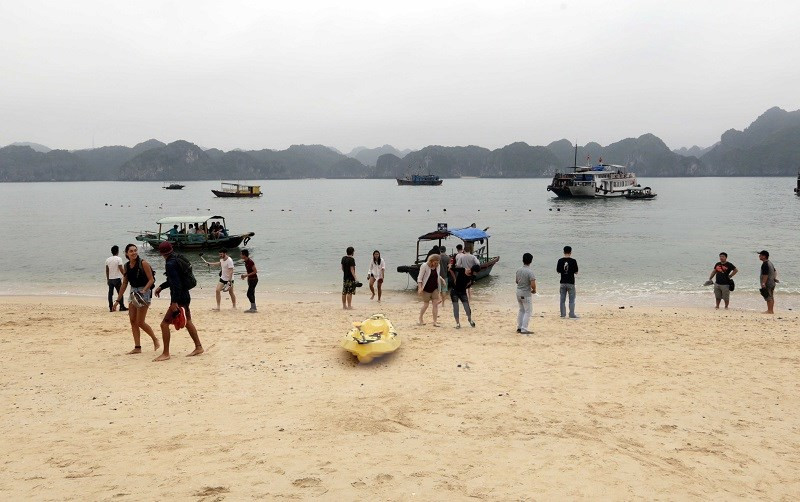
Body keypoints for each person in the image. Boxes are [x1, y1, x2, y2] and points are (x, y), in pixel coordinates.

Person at [153, 242, 203, 361]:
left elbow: (176, 284)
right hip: (185, 295)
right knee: (188, 321)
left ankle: (166, 353)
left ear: (161, 253)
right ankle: (198, 347)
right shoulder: (178, 258)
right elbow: (176, 280)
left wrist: (174, 302)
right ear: (171, 249)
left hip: (179, 298)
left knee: (164, 324)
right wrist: (162, 286)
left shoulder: (170, 263)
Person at [115, 244, 159, 354]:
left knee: (140, 322)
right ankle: (137, 347)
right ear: (126, 253)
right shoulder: (126, 266)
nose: (134, 253)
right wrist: (117, 300)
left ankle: (155, 339)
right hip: (133, 292)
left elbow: (151, 280)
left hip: (144, 292)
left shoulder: (143, 263)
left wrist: (144, 290)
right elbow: (124, 283)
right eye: (131, 251)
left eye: (135, 250)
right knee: (132, 320)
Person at [450, 264, 480, 328]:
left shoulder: (473, 276)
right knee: (456, 307)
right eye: (475, 272)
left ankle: (470, 319)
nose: (476, 274)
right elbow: (451, 269)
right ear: (473, 270)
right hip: (454, 290)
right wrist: (454, 278)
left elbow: (469, 285)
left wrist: (469, 284)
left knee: (467, 306)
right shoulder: (462, 270)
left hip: (462, 292)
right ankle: (458, 323)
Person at [515, 253, 536, 335]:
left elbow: (516, 281)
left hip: (518, 292)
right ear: (531, 261)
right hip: (525, 293)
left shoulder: (518, 270)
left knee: (521, 310)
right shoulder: (530, 272)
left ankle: (519, 327)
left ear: (523, 260)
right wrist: (534, 290)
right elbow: (533, 283)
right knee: (528, 311)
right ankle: (524, 328)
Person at [417, 254, 441, 326]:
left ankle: (435, 321)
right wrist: (420, 288)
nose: (436, 264)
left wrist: (442, 280)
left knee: (435, 304)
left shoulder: (438, 266)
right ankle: (420, 318)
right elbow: (420, 278)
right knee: (426, 304)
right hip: (426, 288)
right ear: (431, 261)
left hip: (435, 288)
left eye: (437, 263)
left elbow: (437, 275)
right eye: (435, 263)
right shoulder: (424, 266)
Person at [557, 246, 579, 319]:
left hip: (562, 282)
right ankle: (571, 314)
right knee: (571, 299)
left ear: (563, 252)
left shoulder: (560, 260)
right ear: (570, 252)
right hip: (571, 282)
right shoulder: (573, 261)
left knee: (562, 299)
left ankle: (563, 314)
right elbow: (576, 272)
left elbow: (558, 271)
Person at [105, 245, 127, 312]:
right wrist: (125, 275)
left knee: (110, 294)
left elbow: (107, 270)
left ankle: (111, 307)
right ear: (117, 251)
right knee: (120, 293)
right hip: (117, 278)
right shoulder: (118, 259)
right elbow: (120, 268)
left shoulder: (108, 260)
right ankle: (121, 306)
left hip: (111, 279)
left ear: (111, 252)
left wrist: (108, 279)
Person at [240, 249, 259, 313]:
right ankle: (253, 307)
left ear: (244, 255)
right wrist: (245, 276)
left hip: (254, 279)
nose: (240, 255)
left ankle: (253, 308)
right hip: (250, 279)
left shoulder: (250, 262)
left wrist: (246, 275)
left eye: (241, 254)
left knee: (249, 294)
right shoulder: (245, 261)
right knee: (252, 293)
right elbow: (249, 271)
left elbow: (255, 271)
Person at [758, 250, 776, 314]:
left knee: (768, 297)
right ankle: (771, 310)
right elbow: (775, 271)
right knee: (771, 296)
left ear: (764, 256)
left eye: (760, 255)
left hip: (768, 283)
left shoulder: (765, 264)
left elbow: (765, 275)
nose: (759, 256)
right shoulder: (770, 263)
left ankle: (770, 311)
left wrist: (763, 283)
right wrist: (774, 278)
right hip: (772, 282)